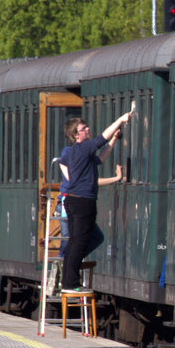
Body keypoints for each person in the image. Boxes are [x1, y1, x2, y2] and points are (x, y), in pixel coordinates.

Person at [59, 112, 132, 291]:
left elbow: (99, 158)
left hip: (74, 201)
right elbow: (101, 139)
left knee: (76, 241)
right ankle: (70, 283)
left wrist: (113, 140)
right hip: (83, 202)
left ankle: (67, 279)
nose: (87, 129)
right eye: (84, 129)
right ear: (76, 135)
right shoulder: (82, 147)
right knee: (80, 242)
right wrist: (120, 120)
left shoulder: (75, 152)